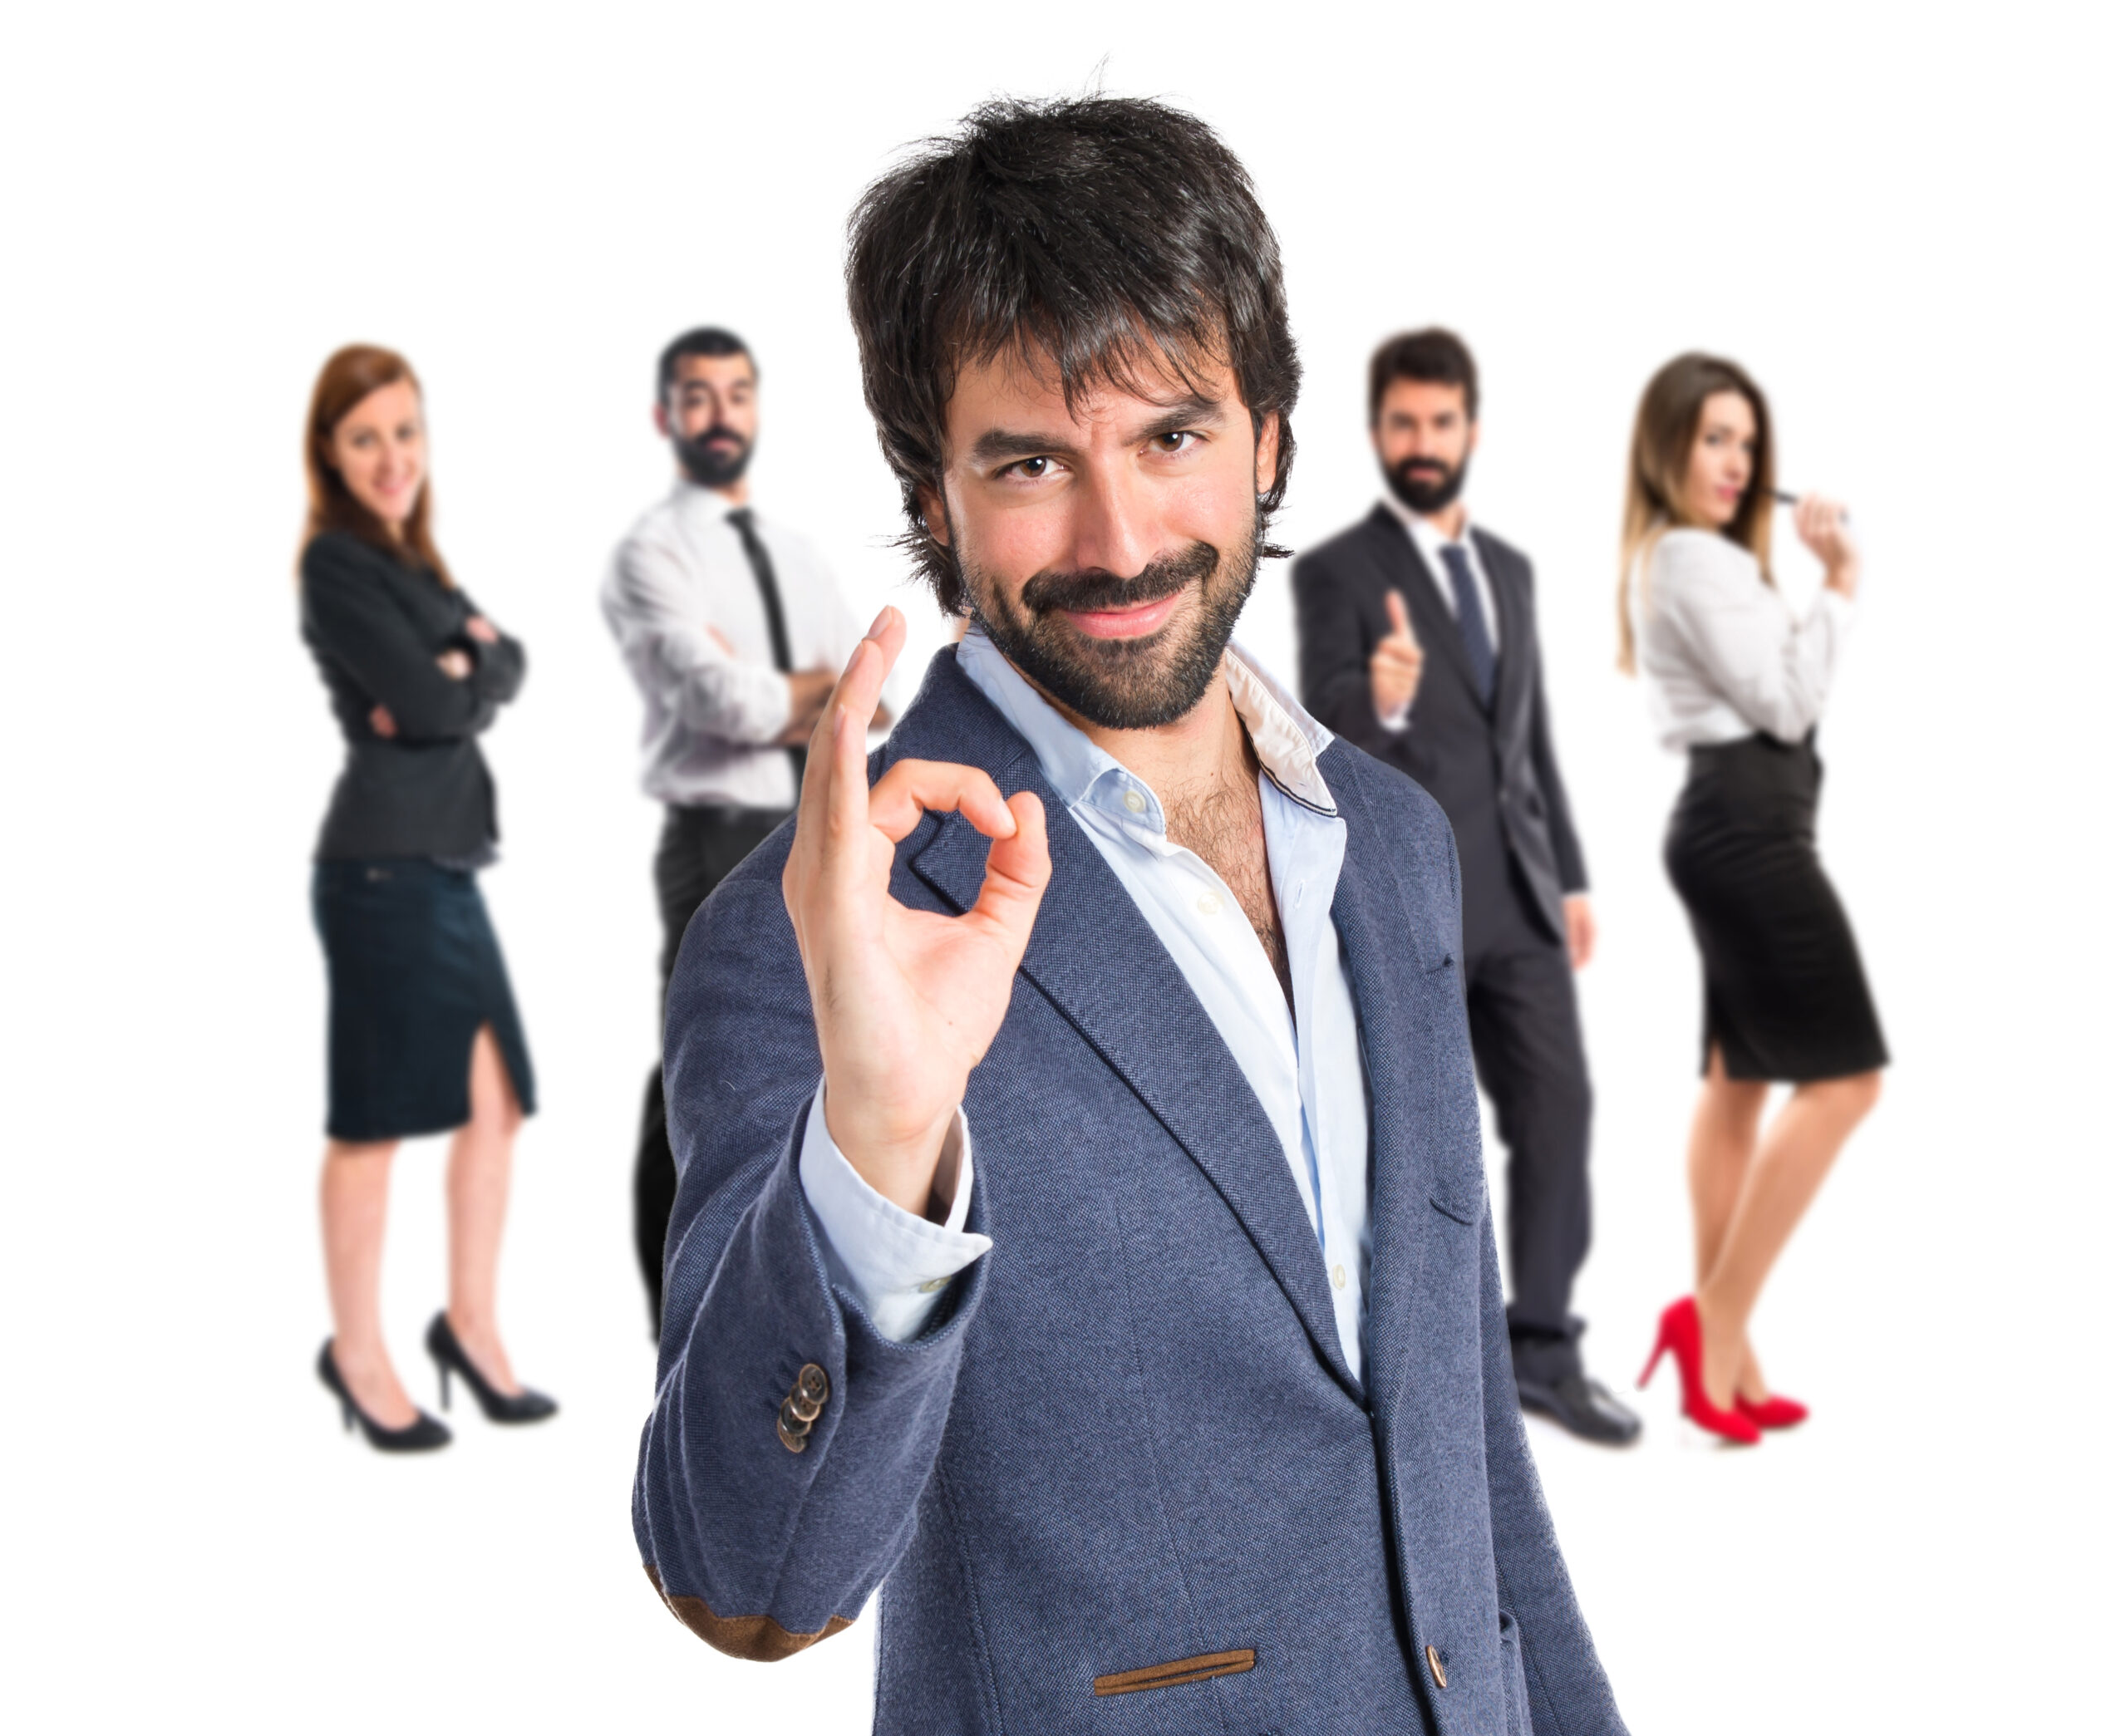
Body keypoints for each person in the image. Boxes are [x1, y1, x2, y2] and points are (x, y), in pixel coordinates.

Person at [632, 97, 1625, 1734]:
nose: (1119, 540)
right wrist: (883, 1141)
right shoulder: (827, 919)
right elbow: (745, 1576)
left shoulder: (1389, 843)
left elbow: (1471, 1469)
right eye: (1030, 461)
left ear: (1270, 440)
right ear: (932, 495)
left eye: (1172, 435)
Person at [1292, 331, 1638, 1446]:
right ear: (1376, 431)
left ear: (1471, 429)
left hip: (1520, 897)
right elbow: (1318, 732)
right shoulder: (1339, 571)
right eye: (1403, 422)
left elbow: (1527, 743)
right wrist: (1383, 694)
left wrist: (1569, 876)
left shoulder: (1511, 572)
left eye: (1440, 422)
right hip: (1413, 900)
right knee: (1423, 1140)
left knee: (1558, 1108)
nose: (1422, 442)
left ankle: (1543, 1347)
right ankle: (1434, 1370)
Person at [1619, 352, 1887, 1444]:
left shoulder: (1700, 558)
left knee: (1739, 1081)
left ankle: (1727, 1360)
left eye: (1745, 440)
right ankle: (1713, 1321)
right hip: (1745, 827)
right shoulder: (1689, 555)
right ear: (1668, 447)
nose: (1734, 461)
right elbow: (1786, 703)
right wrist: (1840, 583)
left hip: (1743, 823)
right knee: (1846, 1081)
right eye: (1712, 438)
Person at [298, 344, 556, 1452]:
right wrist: (455, 672)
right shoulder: (337, 565)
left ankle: (470, 1326)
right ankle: (357, 1354)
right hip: (382, 872)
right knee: (374, 1121)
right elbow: (435, 703)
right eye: (365, 438)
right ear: (330, 454)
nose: (392, 457)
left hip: (444, 864)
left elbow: (509, 666)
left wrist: (462, 671)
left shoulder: (415, 563)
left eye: (404, 431)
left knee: (497, 1102)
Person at [602, 328, 875, 1334]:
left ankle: (791, 1304)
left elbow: (869, 695)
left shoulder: (797, 556)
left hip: (816, 824)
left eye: (735, 394)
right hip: (717, 834)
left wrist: (793, 692)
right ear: (665, 415)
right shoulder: (653, 553)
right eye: (697, 396)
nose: (719, 415)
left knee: (817, 1058)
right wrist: (810, 692)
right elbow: (717, 699)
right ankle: (678, 1318)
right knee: (700, 1069)